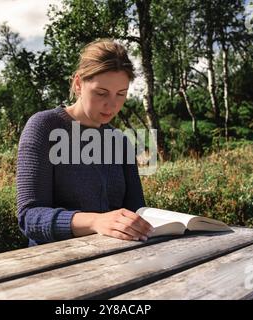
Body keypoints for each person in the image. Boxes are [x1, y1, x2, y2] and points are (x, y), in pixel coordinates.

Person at [16, 39, 153, 246]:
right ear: (78, 84)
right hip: (55, 263)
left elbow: (136, 209)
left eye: (121, 94)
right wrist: (96, 221)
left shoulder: (120, 142)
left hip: (116, 260)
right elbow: (29, 217)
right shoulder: (43, 127)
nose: (112, 104)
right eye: (101, 93)